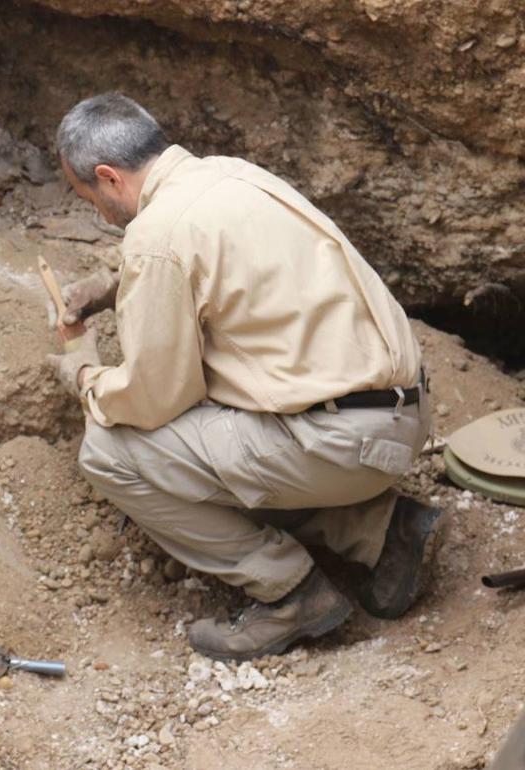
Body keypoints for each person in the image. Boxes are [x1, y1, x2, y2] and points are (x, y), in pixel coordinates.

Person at [45, 93, 442, 662]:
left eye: (89, 197)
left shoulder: (157, 237)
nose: (96, 211)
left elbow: (154, 398)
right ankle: (381, 531)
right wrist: (115, 286)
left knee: (111, 448)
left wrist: (83, 373)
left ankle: (290, 594)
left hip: (340, 442)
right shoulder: (233, 175)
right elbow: (224, 270)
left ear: (108, 177)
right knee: (216, 440)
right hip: (401, 414)